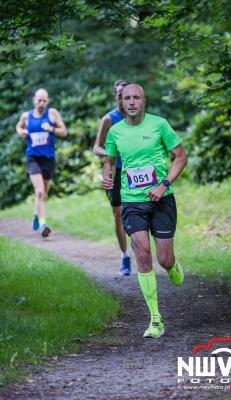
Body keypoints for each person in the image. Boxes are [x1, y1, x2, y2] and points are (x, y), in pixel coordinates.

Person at [102, 84, 188, 338]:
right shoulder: (115, 131)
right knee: (141, 251)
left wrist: (164, 184)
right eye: (126, 98)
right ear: (121, 102)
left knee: (164, 259)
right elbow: (109, 161)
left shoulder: (159, 125)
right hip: (132, 201)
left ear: (144, 101)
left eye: (136, 98)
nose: (131, 102)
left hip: (162, 200)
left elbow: (181, 157)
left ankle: (172, 266)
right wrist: (107, 177)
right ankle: (155, 319)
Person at [16, 88, 67, 237]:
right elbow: (19, 126)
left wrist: (51, 128)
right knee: (39, 191)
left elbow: (64, 131)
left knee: (44, 194)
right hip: (33, 158)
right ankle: (44, 225)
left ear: (48, 101)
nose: (42, 103)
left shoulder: (52, 113)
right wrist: (21, 132)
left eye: (44, 100)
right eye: (39, 100)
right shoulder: (26, 116)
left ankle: (35, 213)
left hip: (48, 159)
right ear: (34, 100)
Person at [93, 80, 131, 276]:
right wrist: (110, 153)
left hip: (134, 172)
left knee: (136, 210)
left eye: (126, 95)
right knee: (119, 215)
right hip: (114, 172)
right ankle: (125, 255)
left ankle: (139, 247)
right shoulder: (109, 119)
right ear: (115, 97)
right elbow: (96, 147)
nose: (123, 99)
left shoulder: (138, 117)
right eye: (119, 96)